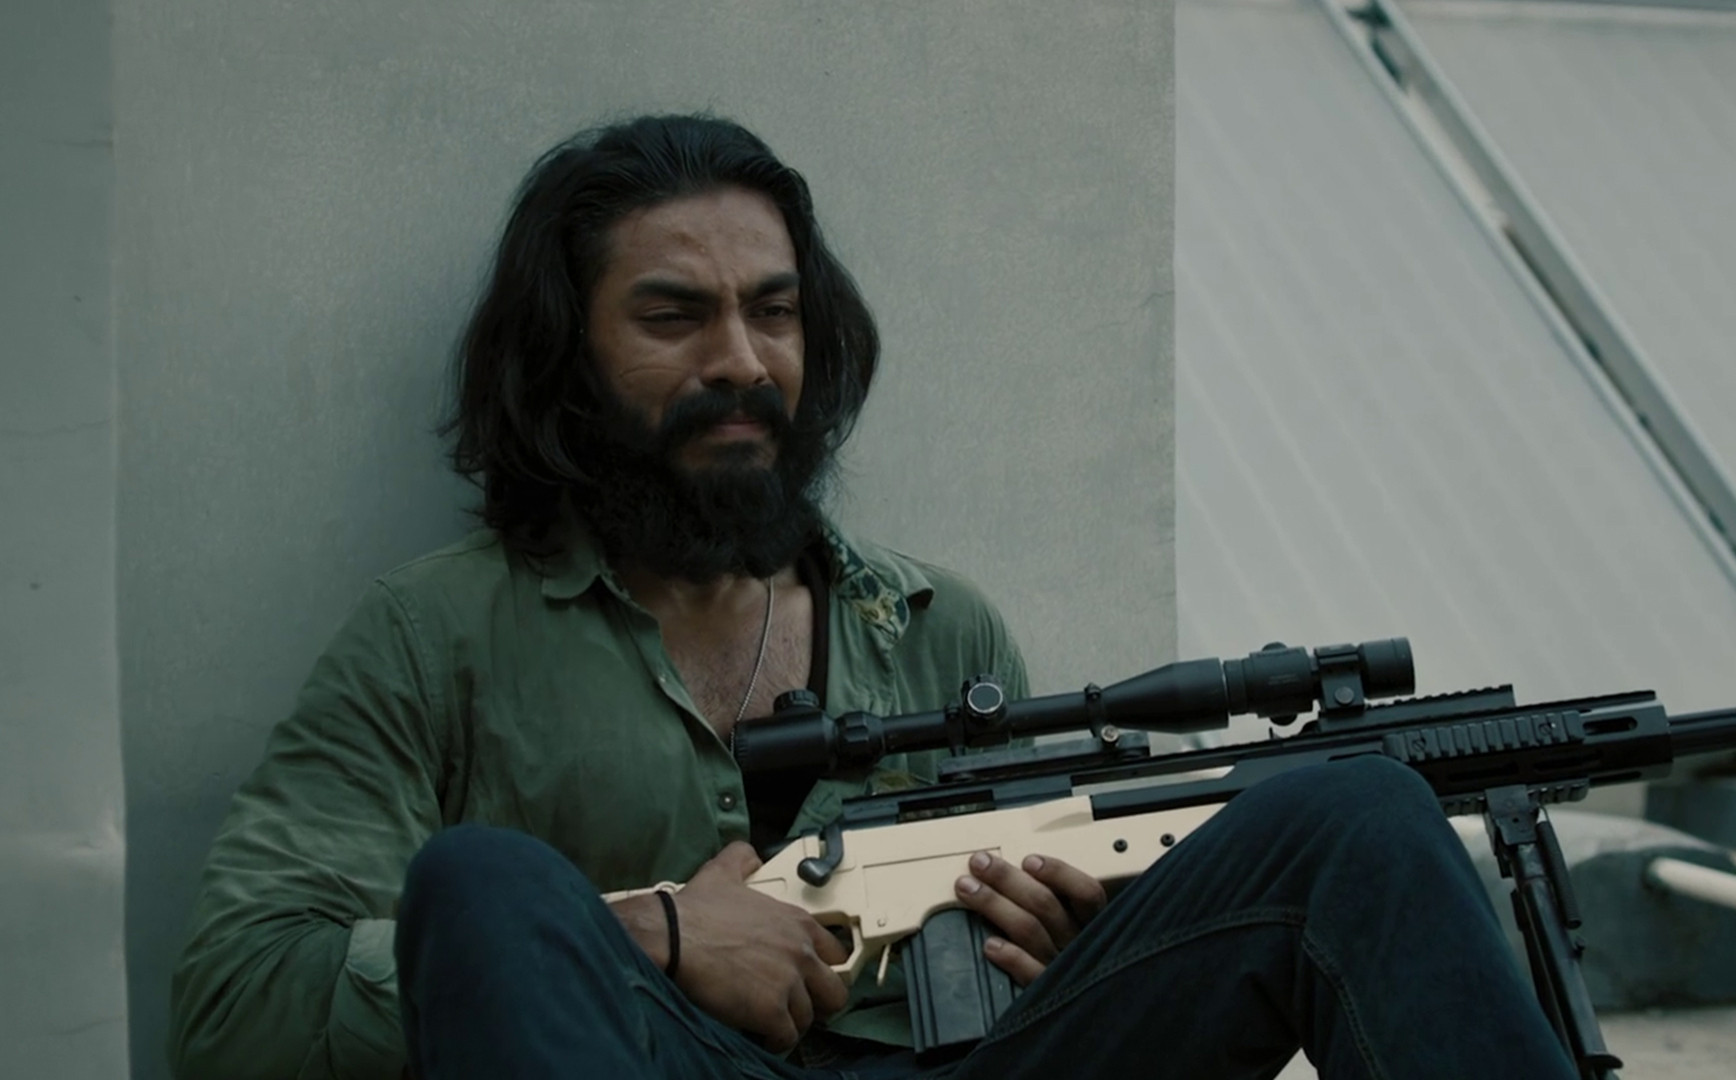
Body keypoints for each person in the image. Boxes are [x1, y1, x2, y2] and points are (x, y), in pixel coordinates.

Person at [168, 114, 1577, 1080]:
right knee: (482, 884)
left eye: (773, 311)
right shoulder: (434, 637)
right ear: (565, 357)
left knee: (1356, 807)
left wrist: (1075, 946)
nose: (741, 361)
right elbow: (236, 1000)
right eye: (673, 316)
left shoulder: (941, 628)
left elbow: (1063, 963)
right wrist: (653, 936)